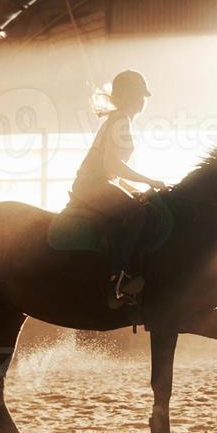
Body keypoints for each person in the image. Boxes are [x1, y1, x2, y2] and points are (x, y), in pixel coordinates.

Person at [53, 69, 166, 306]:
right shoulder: (120, 121)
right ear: (131, 96)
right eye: (140, 96)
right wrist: (150, 181)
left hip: (101, 182)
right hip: (92, 185)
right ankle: (119, 278)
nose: (143, 102)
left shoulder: (119, 120)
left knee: (138, 204)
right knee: (136, 214)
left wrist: (134, 189)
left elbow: (112, 172)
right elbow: (112, 164)